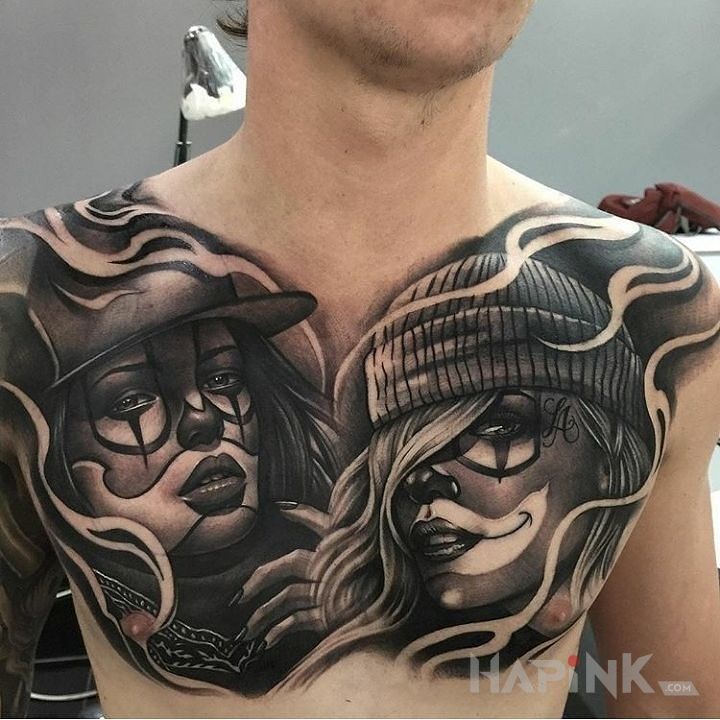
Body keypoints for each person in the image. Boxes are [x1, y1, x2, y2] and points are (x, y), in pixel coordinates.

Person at [1, 1, 719, 717]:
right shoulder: (22, 299)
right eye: (134, 403)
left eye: (499, 431)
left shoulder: (660, 314)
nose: (202, 420)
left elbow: (672, 701)